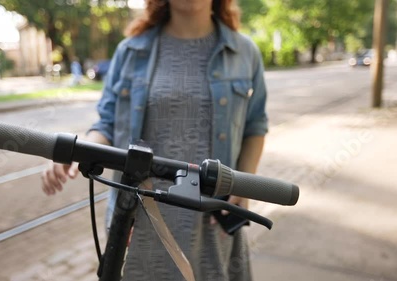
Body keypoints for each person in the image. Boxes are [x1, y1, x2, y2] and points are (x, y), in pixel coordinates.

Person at [41, 0, 268, 280]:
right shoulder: (131, 51)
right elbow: (107, 124)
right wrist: (78, 152)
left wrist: (244, 184)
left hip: (209, 220)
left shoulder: (244, 52)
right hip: (140, 218)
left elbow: (255, 124)